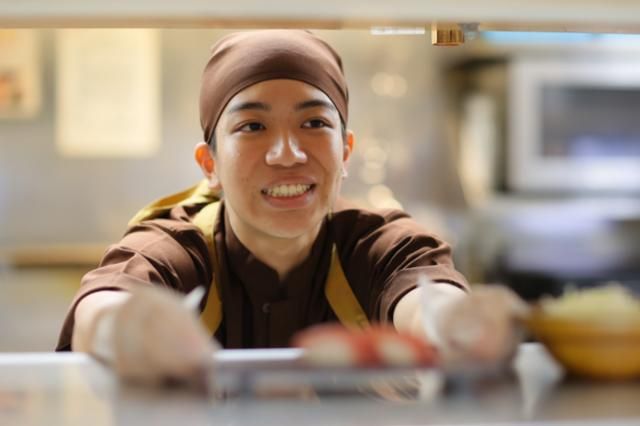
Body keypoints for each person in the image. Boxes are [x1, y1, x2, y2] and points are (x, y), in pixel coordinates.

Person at [56, 30, 527, 385]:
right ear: (210, 164)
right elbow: (106, 302)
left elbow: (426, 296)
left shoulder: (377, 244)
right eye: (253, 127)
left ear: (345, 152)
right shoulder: (179, 245)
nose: (287, 154)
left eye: (314, 122)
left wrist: (455, 322)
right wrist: (124, 328)